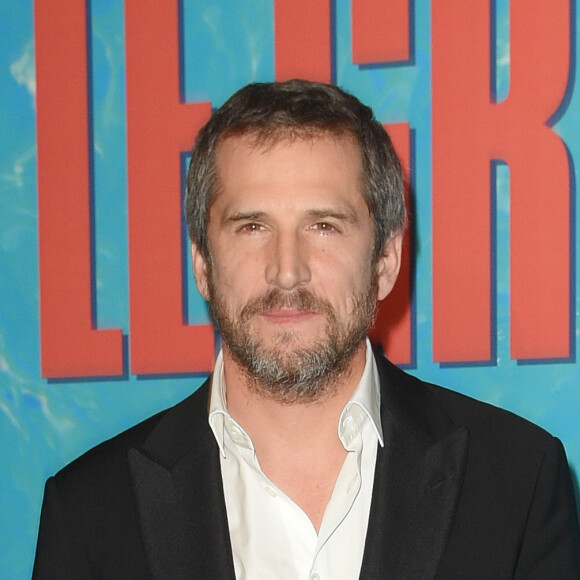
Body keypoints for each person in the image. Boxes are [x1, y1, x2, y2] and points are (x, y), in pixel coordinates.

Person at [33, 80, 580, 579]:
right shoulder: (89, 511)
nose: (287, 270)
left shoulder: (516, 482)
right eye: (252, 226)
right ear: (202, 263)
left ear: (386, 260)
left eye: (323, 226)